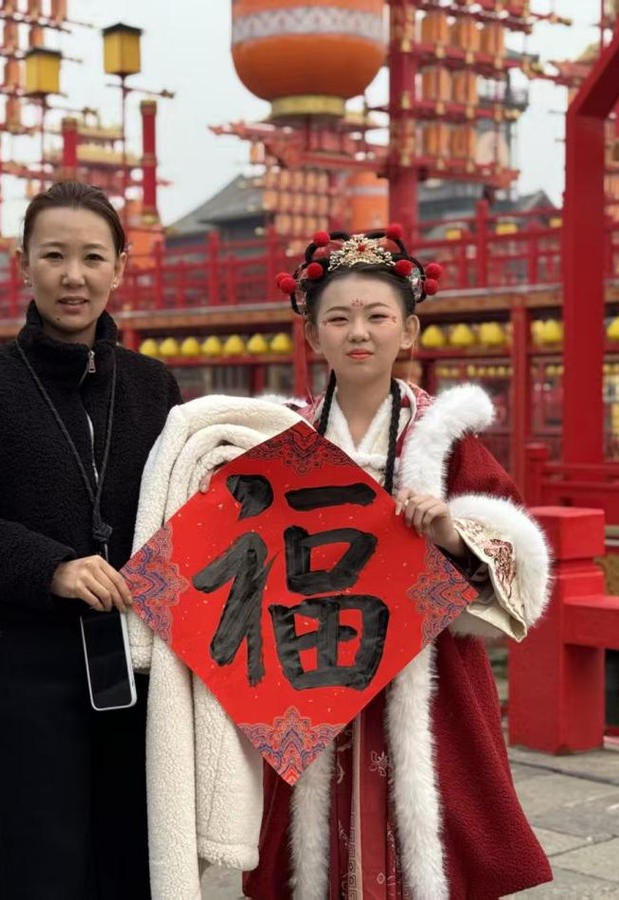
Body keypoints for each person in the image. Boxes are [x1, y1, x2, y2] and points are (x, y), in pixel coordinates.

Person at [242, 228, 554, 899]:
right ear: (312, 335)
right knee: (305, 852)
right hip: (308, 663)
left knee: (431, 831)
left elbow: (518, 563)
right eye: (338, 318)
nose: (359, 332)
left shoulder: (443, 437)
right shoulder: (277, 437)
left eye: (378, 316)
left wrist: (450, 531)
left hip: (427, 671)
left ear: (408, 330)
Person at [0, 181, 182, 898]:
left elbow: (196, 508)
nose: (73, 276)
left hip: (143, 669)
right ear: (23, 264)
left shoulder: (155, 387)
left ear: (120, 267)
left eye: (93, 257)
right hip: (30, 667)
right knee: (39, 871)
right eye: (54, 255)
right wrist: (51, 567)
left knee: (135, 870)